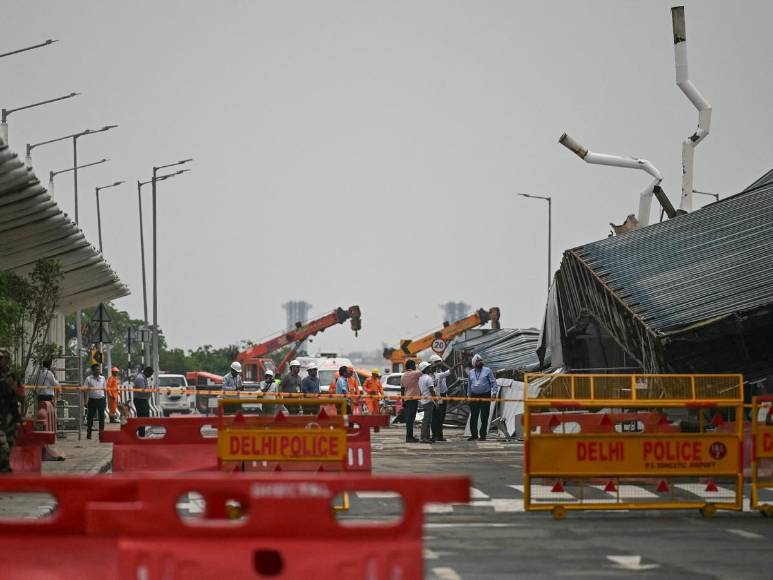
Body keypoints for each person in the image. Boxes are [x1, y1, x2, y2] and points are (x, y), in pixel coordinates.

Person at [466, 354, 498, 441]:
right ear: (474, 363)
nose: (480, 362)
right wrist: (468, 396)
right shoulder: (471, 372)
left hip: (485, 395)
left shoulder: (488, 370)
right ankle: (474, 435)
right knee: (474, 416)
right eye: (478, 361)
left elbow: (493, 383)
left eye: (481, 360)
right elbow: (469, 385)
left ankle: (483, 435)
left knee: (484, 416)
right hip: (474, 396)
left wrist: (494, 393)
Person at [0, 349, 21, 472]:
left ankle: (6, 469)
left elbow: (21, 397)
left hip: (9, 415)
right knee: (3, 445)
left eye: (2, 358)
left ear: (7, 360)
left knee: (10, 444)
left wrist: (13, 387)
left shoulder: (12, 376)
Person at [430, 354, 451, 442]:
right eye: (437, 362)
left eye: (440, 362)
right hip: (435, 397)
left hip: (443, 396)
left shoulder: (442, 370)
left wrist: (442, 364)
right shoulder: (431, 374)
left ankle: (440, 436)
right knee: (435, 417)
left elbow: (450, 370)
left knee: (441, 417)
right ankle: (435, 435)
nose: (440, 364)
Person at [400, 359, 422, 443]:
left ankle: (410, 436)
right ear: (412, 366)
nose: (415, 367)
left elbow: (402, 389)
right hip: (413, 400)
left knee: (409, 419)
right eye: (414, 365)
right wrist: (419, 365)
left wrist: (403, 401)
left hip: (406, 399)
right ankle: (409, 437)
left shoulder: (403, 375)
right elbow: (423, 371)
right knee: (411, 419)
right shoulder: (415, 373)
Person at [83, 363, 106, 440]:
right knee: (90, 418)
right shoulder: (88, 379)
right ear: (92, 370)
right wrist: (85, 401)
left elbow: (105, 389)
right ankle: (89, 434)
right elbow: (85, 390)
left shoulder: (103, 378)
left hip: (101, 400)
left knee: (102, 418)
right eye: (96, 369)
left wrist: (105, 400)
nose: (98, 371)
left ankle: (101, 434)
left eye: (99, 369)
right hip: (92, 400)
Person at [418, 361, 437, 443]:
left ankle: (427, 437)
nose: (430, 368)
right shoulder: (428, 378)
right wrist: (436, 401)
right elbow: (432, 391)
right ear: (425, 369)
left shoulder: (421, 378)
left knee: (428, 420)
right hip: (429, 401)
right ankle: (423, 437)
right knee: (426, 420)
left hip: (424, 400)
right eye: (428, 367)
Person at [133, 366, 154, 436]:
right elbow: (141, 391)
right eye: (150, 374)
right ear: (146, 372)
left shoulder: (143, 378)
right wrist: (149, 391)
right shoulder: (140, 378)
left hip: (143, 400)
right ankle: (140, 434)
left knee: (145, 418)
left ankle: (140, 432)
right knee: (142, 418)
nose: (150, 376)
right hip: (140, 401)